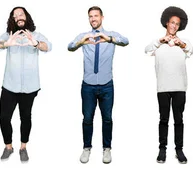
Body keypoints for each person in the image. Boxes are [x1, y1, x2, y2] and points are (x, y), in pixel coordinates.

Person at [67, 6, 129, 164]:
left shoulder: (111, 35)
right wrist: (82, 41)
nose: (93, 19)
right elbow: (70, 47)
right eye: (90, 16)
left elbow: (126, 41)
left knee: (107, 118)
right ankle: (86, 148)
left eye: (95, 16)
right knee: (87, 118)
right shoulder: (84, 36)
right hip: (88, 86)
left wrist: (108, 39)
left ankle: (106, 149)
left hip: (107, 85)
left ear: (102, 17)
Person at [0, 6, 51, 162]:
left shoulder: (36, 35)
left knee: (25, 117)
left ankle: (23, 148)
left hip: (30, 87)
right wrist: (6, 44)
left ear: (26, 16)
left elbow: (48, 47)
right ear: (12, 19)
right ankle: (8, 147)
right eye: (15, 16)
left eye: (21, 14)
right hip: (9, 86)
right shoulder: (8, 35)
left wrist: (36, 43)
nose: (18, 17)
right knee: (3, 117)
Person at [144, 6, 193, 164]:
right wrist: (160, 41)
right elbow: (146, 51)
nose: (174, 26)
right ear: (167, 23)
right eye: (172, 23)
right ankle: (162, 149)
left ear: (180, 26)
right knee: (163, 119)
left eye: (177, 24)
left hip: (180, 87)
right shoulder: (158, 43)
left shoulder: (184, 43)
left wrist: (182, 44)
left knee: (179, 120)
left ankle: (179, 150)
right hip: (163, 88)